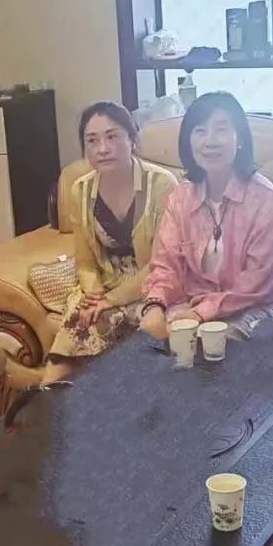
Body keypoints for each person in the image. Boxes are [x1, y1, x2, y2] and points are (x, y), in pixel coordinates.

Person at [43, 101, 177, 383]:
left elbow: (160, 263)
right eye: (92, 140)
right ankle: (44, 398)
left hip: (152, 285)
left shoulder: (162, 184)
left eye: (112, 136)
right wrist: (94, 294)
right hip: (106, 282)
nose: (102, 149)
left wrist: (110, 301)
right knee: (81, 318)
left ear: (132, 139)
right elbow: (85, 262)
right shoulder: (80, 190)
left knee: (142, 330)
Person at [141, 91, 273, 341]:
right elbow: (167, 265)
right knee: (145, 342)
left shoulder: (264, 199)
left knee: (215, 343)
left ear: (240, 139)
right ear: (188, 142)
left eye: (221, 130)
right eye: (200, 131)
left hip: (254, 307)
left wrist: (200, 314)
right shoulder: (180, 198)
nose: (210, 141)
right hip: (193, 303)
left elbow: (257, 281)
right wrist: (155, 304)